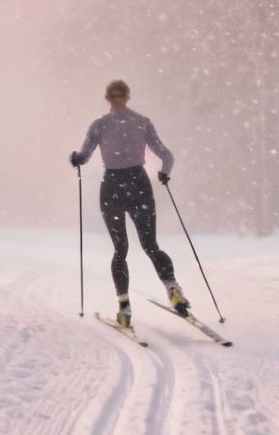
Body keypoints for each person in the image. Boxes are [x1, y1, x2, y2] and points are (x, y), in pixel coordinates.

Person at [70, 79, 190, 328]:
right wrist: (164, 173)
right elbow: (166, 155)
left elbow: (84, 155)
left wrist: (76, 159)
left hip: (112, 187)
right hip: (139, 185)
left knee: (120, 250)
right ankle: (172, 287)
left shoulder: (99, 125)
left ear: (108, 98)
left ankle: (124, 307)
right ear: (127, 97)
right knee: (151, 245)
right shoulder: (141, 122)